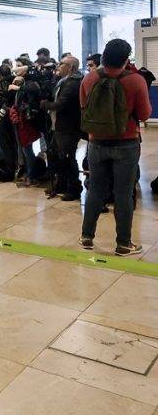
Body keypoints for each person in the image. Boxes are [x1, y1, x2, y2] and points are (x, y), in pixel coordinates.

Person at [79, 39, 152, 256]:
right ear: (127, 59)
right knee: (123, 192)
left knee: (96, 190)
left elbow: (84, 107)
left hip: (96, 142)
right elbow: (145, 114)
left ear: (103, 57)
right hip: (126, 142)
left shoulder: (89, 78)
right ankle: (123, 243)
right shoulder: (136, 80)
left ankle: (86, 237)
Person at [40, 55, 83, 200]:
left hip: (68, 127)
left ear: (71, 68)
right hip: (59, 125)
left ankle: (74, 188)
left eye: (62, 64)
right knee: (59, 157)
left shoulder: (73, 83)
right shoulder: (63, 81)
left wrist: (45, 104)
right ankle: (62, 184)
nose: (58, 66)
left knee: (68, 158)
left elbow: (60, 104)